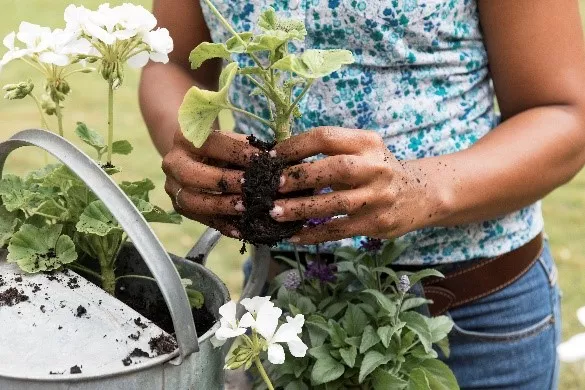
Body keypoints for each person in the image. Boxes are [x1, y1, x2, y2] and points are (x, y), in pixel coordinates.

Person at [140, 1, 585, 388]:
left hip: (468, 321)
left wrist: (420, 189)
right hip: (285, 307)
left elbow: (566, 113)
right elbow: (171, 62)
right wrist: (193, 150)